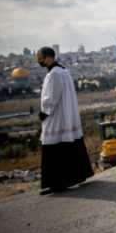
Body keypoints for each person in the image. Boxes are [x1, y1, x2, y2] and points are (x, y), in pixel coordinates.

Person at [37, 47, 93, 195]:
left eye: (40, 58)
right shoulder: (63, 71)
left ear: (48, 57)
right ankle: (73, 177)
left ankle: (56, 183)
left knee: (53, 151)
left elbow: (51, 97)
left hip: (56, 118)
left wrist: (44, 112)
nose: (39, 61)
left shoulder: (55, 74)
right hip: (64, 116)